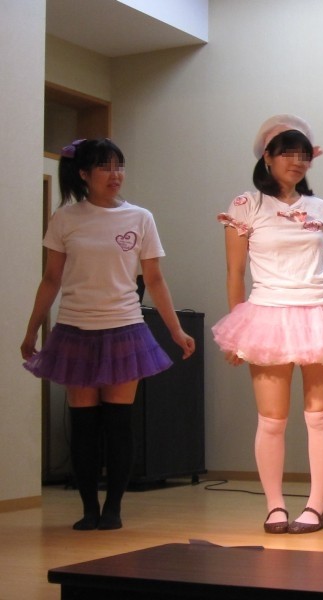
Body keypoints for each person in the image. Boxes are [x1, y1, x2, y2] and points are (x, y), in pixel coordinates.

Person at [212, 114, 323, 535]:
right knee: (272, 420)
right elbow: (235, 273)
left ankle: (316, 507)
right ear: (267, 157)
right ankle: (274, 507)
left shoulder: (321, 207)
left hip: (321, 312)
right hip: (267, 314)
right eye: (287, 153)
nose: (297, 162)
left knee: (320, 417)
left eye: (304, 154)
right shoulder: (246, 205)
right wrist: (237, 331)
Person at [21, 138, 195, 531]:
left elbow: (155, 279)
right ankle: (88, 509)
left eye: (119, 166)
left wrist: (176, 330)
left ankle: (113, 508)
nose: (115, 175)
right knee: (84, 425)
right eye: (104, 167)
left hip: (125, 330)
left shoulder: (140, 218)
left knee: (118, 423)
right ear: (84, 173)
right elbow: (51, 279)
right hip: (74, 330)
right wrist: (32, 329)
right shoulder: (65, 218)